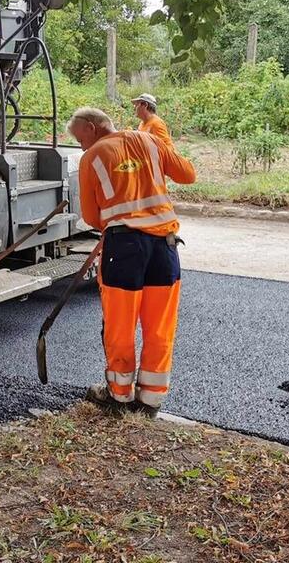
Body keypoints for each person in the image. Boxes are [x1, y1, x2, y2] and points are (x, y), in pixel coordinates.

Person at [69, 107, 196, 418]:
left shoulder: (91, 158)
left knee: (120, 327)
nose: (80, 146)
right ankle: (150, 401)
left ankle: (119, 397)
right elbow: (188, 175)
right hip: (165, 249)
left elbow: (90, 216)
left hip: (123, 249)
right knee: (159, 329)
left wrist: (120, 221)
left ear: (91, 127)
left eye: (79, 138)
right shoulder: (150, 141)